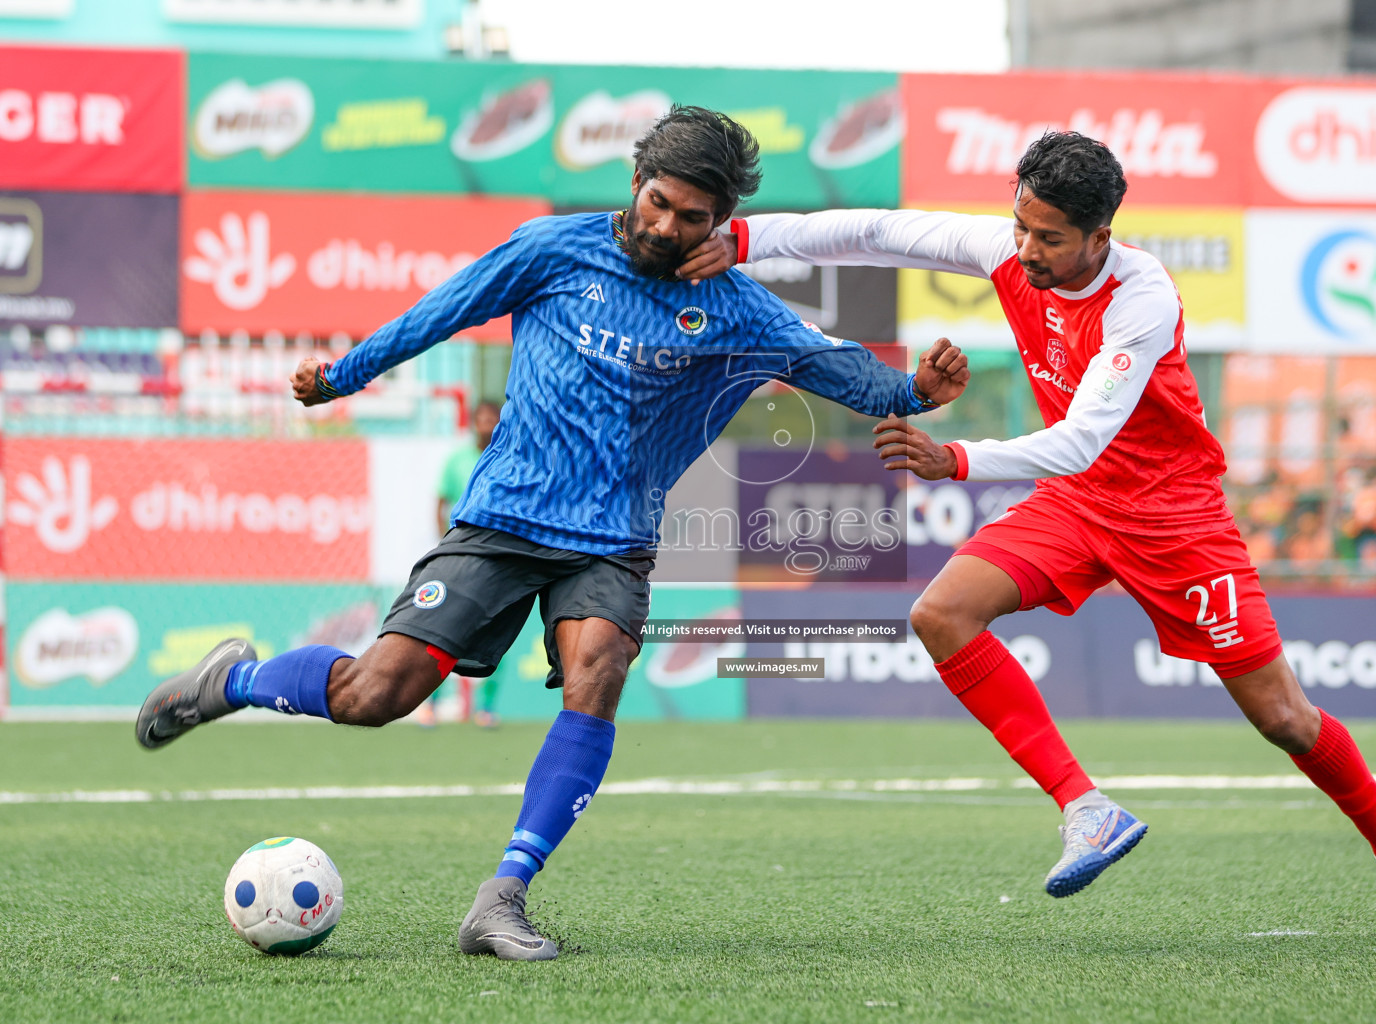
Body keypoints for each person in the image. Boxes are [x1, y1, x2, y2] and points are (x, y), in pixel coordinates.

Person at [134, 106, 971, 960]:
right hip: (502, 523)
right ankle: (234, 681)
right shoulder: (551, 249)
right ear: (635, 180)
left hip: (613, 542)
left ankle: (503, 896)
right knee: (374, 697)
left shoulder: (736, 308)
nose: (667, 226)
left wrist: (917, 390)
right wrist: (343, 376)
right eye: (657, 202)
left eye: (692, 217)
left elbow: (844, 373)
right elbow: (443, 311)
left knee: (598, 669)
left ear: (722, 224)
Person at [678, 130, 1376, 941]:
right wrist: (745, 239)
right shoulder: (1008, 251)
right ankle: (1087, 810)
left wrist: (957, 458)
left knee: (1285, 719)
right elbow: (876, 231)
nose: (1026, 249)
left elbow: (1084, 435)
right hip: (1080, 503)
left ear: (1101, 236)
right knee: (940, 615)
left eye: (1049, 238)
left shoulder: (1142, 300)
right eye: (1021, 226)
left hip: (1173, 517)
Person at [421, 399, 505, 728]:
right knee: (442, 626)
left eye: (492, 419)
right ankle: (431, 703)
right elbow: (440, 502)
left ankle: (487, 708)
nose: (486, 425)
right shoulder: (457, 460)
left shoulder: (508, 457)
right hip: (460, 553)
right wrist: (445, 542)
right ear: (472, 422)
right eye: (481, 418)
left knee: (499, 630)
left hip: (499, 556)